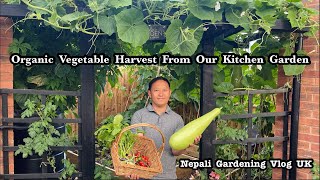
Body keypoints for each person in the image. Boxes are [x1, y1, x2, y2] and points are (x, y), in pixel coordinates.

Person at [128, 76, 201, 179]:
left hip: (168, 176)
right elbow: (138, 145)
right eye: (156, 90)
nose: (161, 94)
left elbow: (175, 151)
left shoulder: (177, 119)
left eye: (164, 90)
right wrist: (133, 167)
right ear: (149, 93)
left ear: (170, 92)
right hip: (143, 176)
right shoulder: (139, 115)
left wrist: (187, 143)